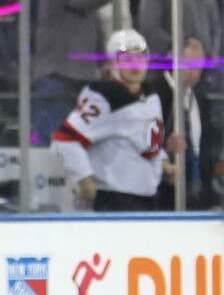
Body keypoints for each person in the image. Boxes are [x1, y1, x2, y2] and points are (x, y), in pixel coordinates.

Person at [53, 29, 181, 211]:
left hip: (149, 197)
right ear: (113, 63)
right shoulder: (103, 97)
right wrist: (84, 179)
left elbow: (146, 142)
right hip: (114, 200)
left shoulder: (152, 96)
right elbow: (66, 139)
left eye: (140, 58)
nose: (135, 66)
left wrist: (164, 163)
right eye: (127, 60)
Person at [31, 0, 115, 145]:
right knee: (54, 148)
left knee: (85, 147)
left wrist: (102, 59)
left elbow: (93, 19)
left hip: (82, 77)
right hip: (57, 77)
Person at [152, 37, 215, 209]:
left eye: (199, 66)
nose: (196, 73)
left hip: (196, 194)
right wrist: (165, 148)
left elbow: (202, 147)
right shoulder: (153, 93)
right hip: (162, 198)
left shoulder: (199, 97)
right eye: (190, 65)